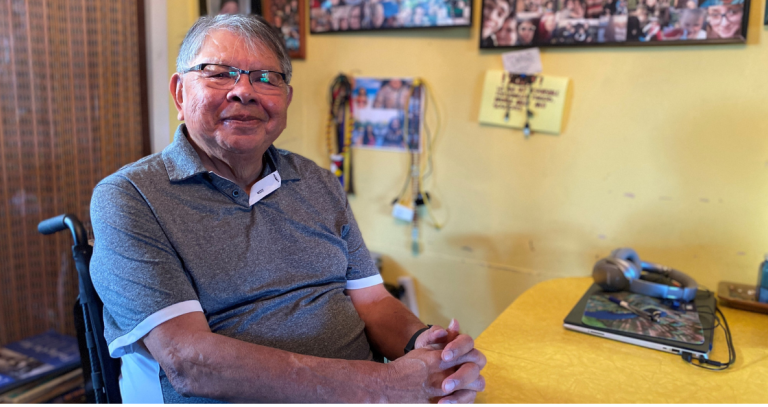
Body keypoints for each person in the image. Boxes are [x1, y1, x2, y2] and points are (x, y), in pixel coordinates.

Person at [89, 14, 485, 403]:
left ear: (286, 99)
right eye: (219, 73)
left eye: (265, 78)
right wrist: (386, 385)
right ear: (179, 93)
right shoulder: (130, 198)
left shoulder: (319, 183)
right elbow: (190, 362)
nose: (244, 91)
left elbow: (374, 303)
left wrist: (424, 345)